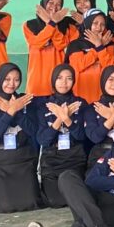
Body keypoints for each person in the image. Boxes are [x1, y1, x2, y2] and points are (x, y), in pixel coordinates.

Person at [0, 63, 42, 213]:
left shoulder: (26, 101)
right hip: (0, 161)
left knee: (30, 202)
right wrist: (10, 112)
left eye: (16, 80)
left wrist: (17, 111)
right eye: (7, 79)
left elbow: (33, 131)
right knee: (4, 206)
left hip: (23, 158)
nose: (11, 84)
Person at [37, 64, 89, 208]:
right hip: (51, 159)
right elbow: (43, 140)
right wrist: (59, 118)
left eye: (69, 78)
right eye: (59, 78)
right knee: (55, 202)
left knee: (76, 196)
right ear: (53, 80)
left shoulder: (80, 104)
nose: (64, 82)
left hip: (74, 158)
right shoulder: (44, 105)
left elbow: (81, 136)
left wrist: (67, 119)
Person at [24, 0, 72, 100]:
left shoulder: (65, 26)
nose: (54, 7)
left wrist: (50, 22)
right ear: (43, 3)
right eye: (51, 2)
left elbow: (60, 44)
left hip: (59, 86)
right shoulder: (29, 25)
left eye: (58, 4)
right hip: (36, 86)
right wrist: (51, 23)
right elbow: (37, 44)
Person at [64, 8, 114, 103]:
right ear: (87, 23)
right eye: (95, 23)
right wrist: (98, 47)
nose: (99, 27)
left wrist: (99, 46)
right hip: (80, 95)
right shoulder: (75, 44)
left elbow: (111, 67)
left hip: (103, 96)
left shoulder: (109, 43)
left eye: (102, 24)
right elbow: (79, 66)